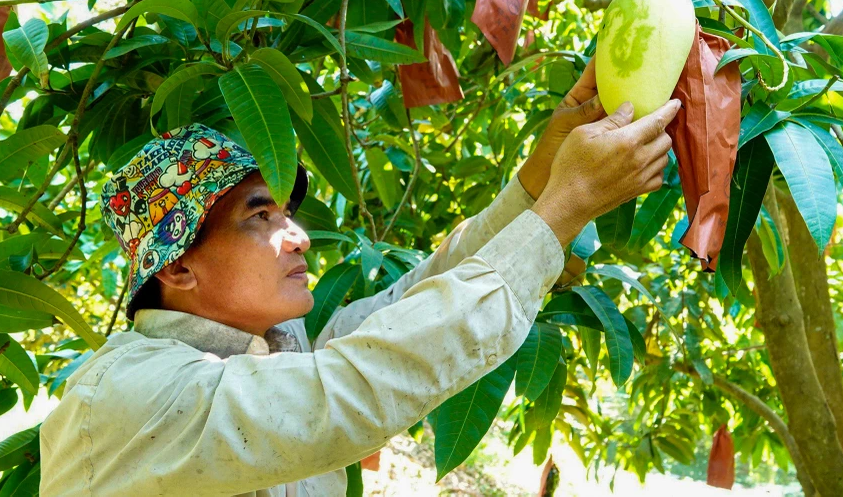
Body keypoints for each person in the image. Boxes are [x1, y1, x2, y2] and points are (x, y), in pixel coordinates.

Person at [39, 60, 679, 496]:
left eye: (288, 212)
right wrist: (562, 210)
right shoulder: (127, 393)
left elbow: (412, 304)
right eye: (260, 216)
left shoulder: (282, 354)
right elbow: (358, 385)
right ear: (178, 266)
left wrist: (537, 183)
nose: (299, 235)